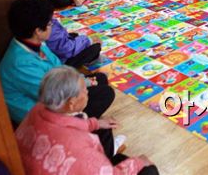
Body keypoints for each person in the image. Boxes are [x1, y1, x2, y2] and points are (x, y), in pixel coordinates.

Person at [16, 66, 159, 174]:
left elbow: (64, 124)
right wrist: (139, 163)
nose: (88, 92)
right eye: (84, 90)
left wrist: (94, 123)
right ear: (71, 102)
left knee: (103, 128)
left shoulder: (39, 109)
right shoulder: (81, 153)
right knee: (149, 170)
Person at [0, 0, 114, 123]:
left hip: (52, 92)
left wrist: (83, 81)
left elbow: (58, 68)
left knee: (100, 79)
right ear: (37, 31)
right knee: (104, 94)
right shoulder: (20, 64)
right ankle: (78, 127)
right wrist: (81, 87)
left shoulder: (35, 42)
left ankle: (84, 120)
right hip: (38, 116)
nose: (51, 27)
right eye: (49, 24)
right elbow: (53, 97)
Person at [28, 0, 102, 67]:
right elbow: (65, 49)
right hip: (60, 59)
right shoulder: (43, 15)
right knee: (94, 48)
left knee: (74, 36)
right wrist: (88, 40)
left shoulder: (31, 11)